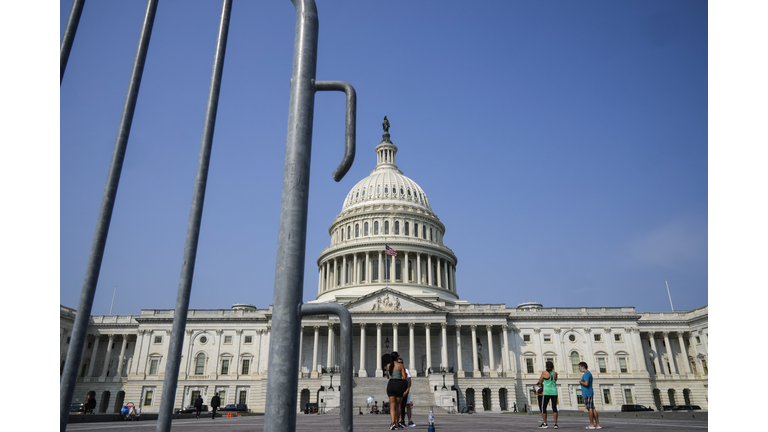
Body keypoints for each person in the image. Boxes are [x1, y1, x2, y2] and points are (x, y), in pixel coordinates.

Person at [385, 351, 407, 430]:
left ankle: (392, 422)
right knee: (398, 406)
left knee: (392, 405)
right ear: (397, 357)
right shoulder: (400, 365)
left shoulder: (388, 366)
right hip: (398, 385)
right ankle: (397, 423)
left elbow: (387, 376)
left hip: (390, 384)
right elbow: (404, 377)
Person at [579, 362, 601, 429]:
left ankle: (591, 424)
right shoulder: (588, 373)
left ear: (583, 367)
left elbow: (586, 383)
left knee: (590, 408)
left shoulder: (586, 374)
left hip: (587, 392)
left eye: (579, 367)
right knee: (592, 408)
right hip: (589, 392)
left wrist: (580, 382)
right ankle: (597, 424)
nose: (579, 368)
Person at [537, 360, 558, 429]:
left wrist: (542, 382)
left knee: (544, 408)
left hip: (546, 392)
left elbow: (540, 381)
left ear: (546, 366)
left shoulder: (544, 373)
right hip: (554, 392)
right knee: (554, 408)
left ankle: (545, 423)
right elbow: (555, 380)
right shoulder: (555, 373)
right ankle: (555, 424)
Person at [398, 358, 416, 427]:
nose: (400, 364)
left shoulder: (406, 370)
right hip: (399, 391)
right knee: (400, 406)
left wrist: (407, 390)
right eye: (399, 362)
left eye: (401, 362)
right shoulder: (395, 371)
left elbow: (409, 380)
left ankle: (410, 420)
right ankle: (401, 421)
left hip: (406, 390)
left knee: (408, 405)